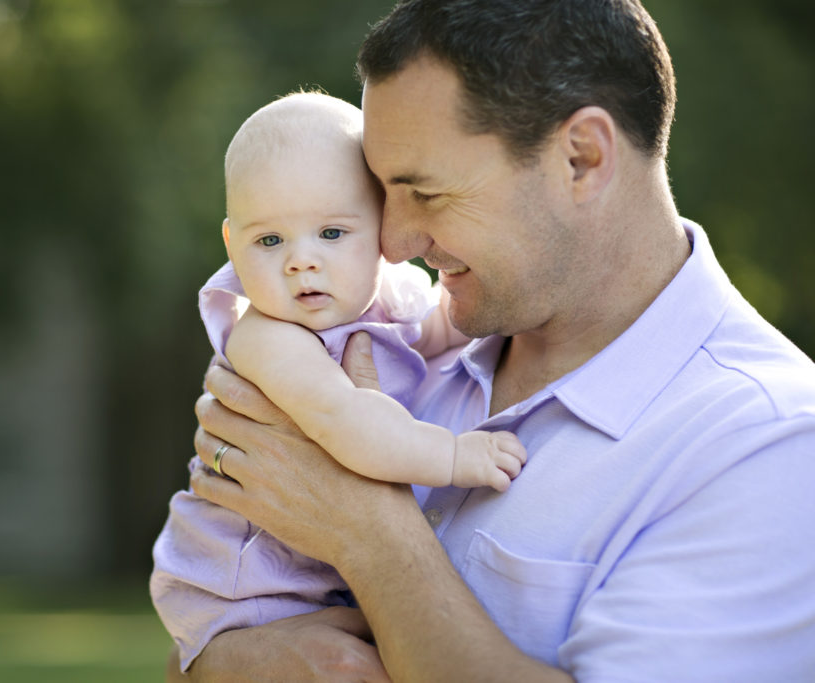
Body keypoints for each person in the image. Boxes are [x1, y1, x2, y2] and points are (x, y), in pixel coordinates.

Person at [167, 0, 815, 680]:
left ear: (582, 157)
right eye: (381, 193)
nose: (392, 240)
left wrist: (370, 534)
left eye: (425, 192)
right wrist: (225, 659)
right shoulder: (405, 341)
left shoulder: (771, 446)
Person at [151, 90, 527, 672]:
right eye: (269, 240)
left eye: (332, 232)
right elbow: (347, 424)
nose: (301, 261)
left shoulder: (383, 301)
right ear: (232, 243)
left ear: (381, 228)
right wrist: (453, 456)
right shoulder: (266, 335)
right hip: (249, 588)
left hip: (319, 571)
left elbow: (435, 333)